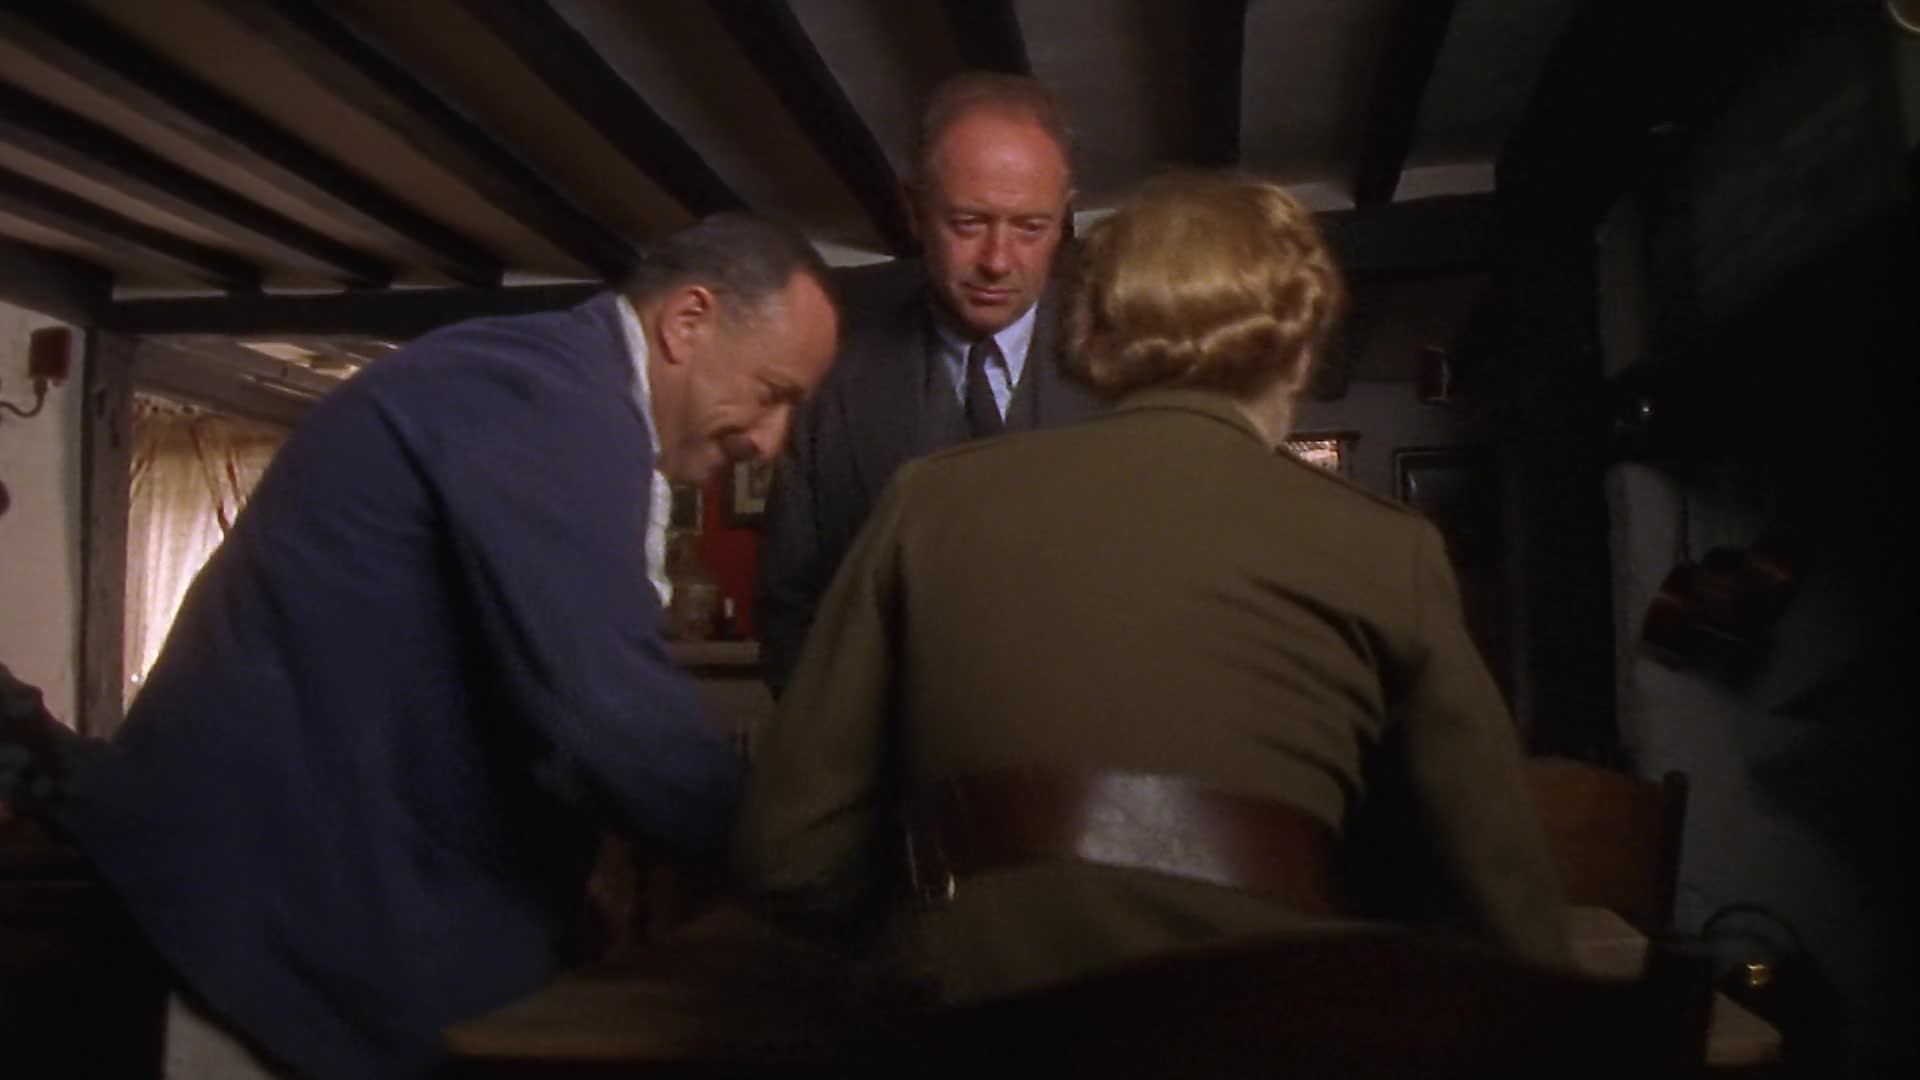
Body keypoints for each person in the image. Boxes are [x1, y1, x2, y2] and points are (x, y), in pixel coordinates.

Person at [2, 213, 840, 1078]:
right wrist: (809, 859)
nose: (769, 440)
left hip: (304, 916)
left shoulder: (552, 392)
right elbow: (611, 712)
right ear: (687, 321)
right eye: (772, 393)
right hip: (263, 927)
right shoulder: (543, 397)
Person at [733, 173, 1570, 1006]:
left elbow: (791, 856)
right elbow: (1507, 916)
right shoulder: (1390, 550)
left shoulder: (927, 502)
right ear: (1302, 351)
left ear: (1090, 340)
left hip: (969, 1026)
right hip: (1279, 1027)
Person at [754, 72, 1102, 696]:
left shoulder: (1124, 370)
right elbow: (791, 606)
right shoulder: (831, 376)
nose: (998, 261)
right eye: (968, 222)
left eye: (1030, 227)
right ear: (914, 209)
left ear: (1065, 214)